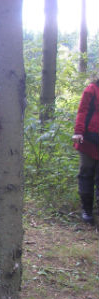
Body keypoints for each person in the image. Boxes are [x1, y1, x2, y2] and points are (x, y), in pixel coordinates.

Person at [72, 76, 99, 225]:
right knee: (86, 174)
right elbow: (82, 111)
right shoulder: (91, 89)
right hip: (88, 140)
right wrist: (78, 132)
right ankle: (87, 211)